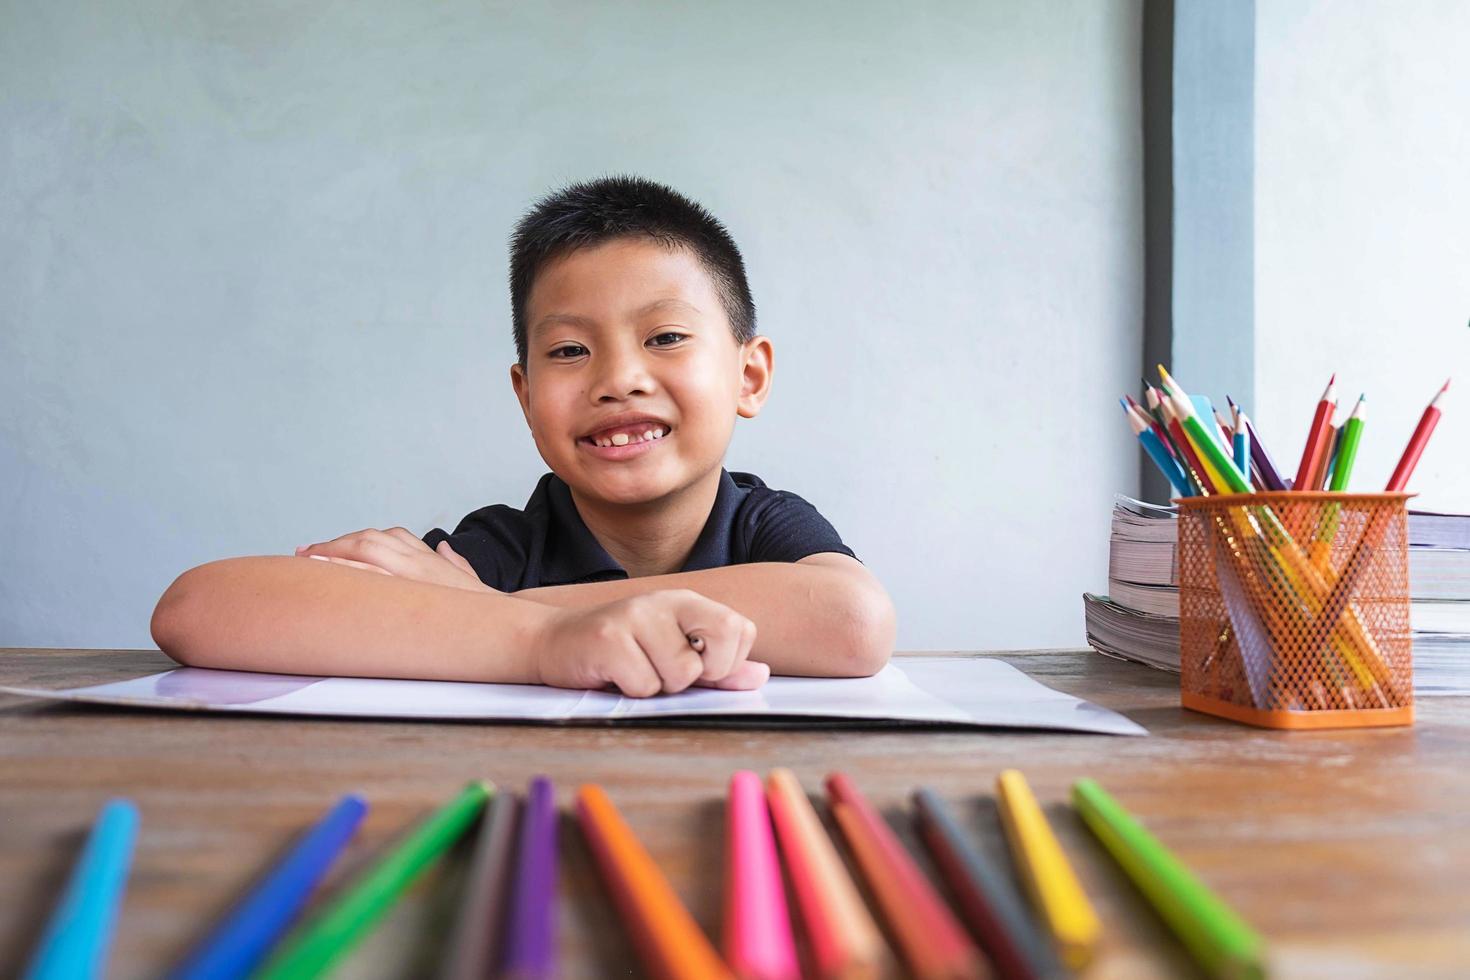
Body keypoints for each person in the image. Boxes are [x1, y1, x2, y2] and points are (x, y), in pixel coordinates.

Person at [151, 176, 896, 697]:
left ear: (750, 376)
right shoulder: (503, 548)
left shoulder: (765, 523)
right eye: (569, 351)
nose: (619, 379)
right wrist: (540, 645)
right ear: (526, 395)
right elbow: (196, 609)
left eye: (665, 336)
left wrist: (489, 614)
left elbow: (853, 622)